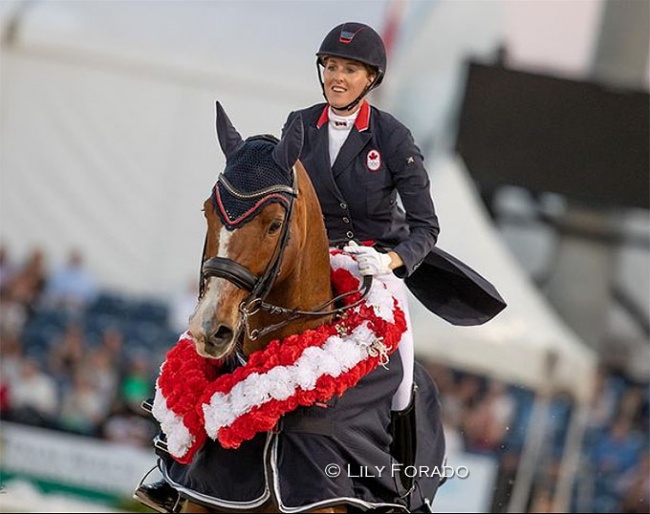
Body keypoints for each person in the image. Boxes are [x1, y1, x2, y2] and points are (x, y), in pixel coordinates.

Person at [137, 21, 505, 513]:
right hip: (304, 254)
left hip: (371, 267)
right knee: (211, 336)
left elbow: (425, 228)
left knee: (402, 372)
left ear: (370, 77)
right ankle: (177, 468)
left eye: (349, 69)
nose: (337, 76)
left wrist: (391, 260)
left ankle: (401, 488)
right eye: (331, 66)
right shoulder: (298, 124)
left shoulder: (392, 138)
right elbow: (280, 197)